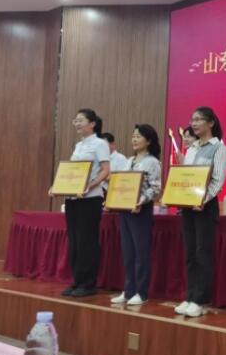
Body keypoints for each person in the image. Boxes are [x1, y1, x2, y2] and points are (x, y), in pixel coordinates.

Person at [175, 107, 226, 317]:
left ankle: (200, 299)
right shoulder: (191, 149)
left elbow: (217, 181)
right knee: (190, 253)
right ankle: (190, 296)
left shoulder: (219, 149)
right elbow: (187, 178)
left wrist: (202, 200)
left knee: (202, 253)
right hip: (189, 207)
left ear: (211, 123)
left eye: (199, 119)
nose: (194, 123)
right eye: (193, 119)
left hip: (205, 207)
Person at [57, 109, 110, 297]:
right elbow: (73, 171)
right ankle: (77, 280)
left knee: (87, 241)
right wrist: (58, 186)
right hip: (73, 198)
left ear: (92, 123)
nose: (77, 123)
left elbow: (105, 170)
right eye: (76, 120)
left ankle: (88, 284)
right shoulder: (79, 145)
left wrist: (90, 185)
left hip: (90, 199)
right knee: (75, 241)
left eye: (81, 120)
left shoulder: (100, 144)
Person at [111, 124, 162, 306]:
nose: (134, 139)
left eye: (138, 136)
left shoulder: (152, 162)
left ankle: (141, 292)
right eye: (133, 136)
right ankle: (128, 290)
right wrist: (112, 199)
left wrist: (141, 201)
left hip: (141, 210)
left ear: (148, 140)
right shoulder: (128, 160)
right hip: (125, 209)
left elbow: (155, 188)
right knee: (128, 252)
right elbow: (121, 184)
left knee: (141, 253)